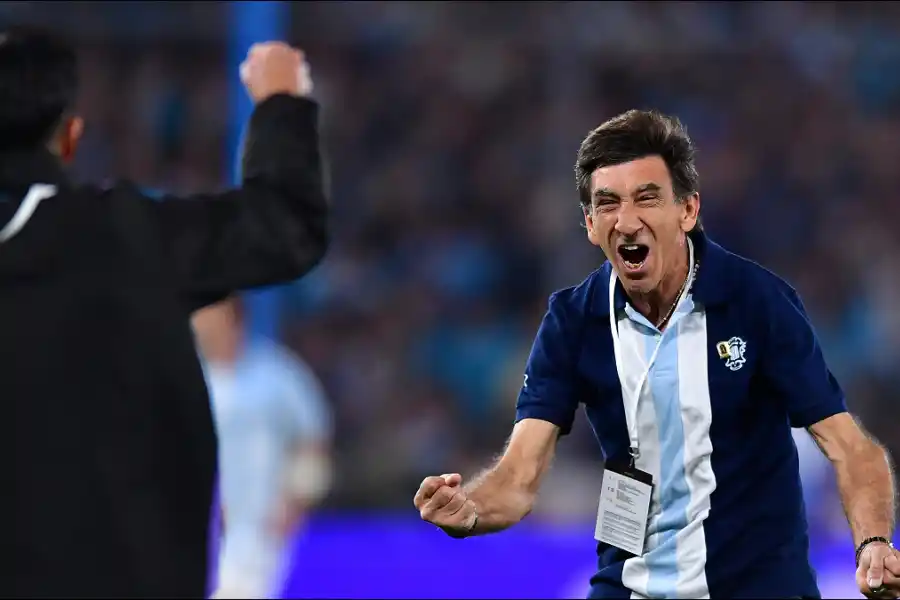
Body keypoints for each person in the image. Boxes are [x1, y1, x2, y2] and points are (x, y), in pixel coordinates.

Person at [414, 109, 900, 599]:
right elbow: (518, 478)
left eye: (646, 199)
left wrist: (874, 542)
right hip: (631, 585)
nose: (627, 222)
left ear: (687, 211)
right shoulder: (574, 322)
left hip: (759, 587)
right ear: (589, 223)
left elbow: (850, 447)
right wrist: (471, 509)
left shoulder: (757, 302)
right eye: (607, 204)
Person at [1, 28, 329, 598]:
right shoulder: (123, 238)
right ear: (71, 137)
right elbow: (283, 227)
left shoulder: (273, 376)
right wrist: (282, 104)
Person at [192, 297, 332, 599]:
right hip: (200, 527)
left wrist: (297, 501)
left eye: (208, 315)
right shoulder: (189, 376)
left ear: (233, 318)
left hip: (262, 530)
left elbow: (313, 442)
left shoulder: (278, 374)